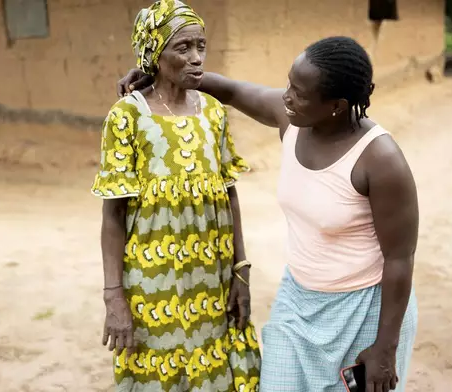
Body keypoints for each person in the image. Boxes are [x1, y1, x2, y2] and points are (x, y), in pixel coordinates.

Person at [118, 36, 419, 392]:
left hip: (365, 309)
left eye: (300, 93)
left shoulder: (380, 160)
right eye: (289, 83)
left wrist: (386, 348)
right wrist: (160, 73)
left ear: (337, 105)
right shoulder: (290, 118)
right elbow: (229, 90)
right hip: (299, 300)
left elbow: (400, 259)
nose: (287, 96)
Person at [92, 1, 261, 391]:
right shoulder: (127, 117)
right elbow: (112, 215)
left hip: (214, 277)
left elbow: (228, 195)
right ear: (154, 52)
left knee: (219, 366)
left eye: (201, 46)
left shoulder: (214, 113)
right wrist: (113, 294)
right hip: (154, 279)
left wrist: (241, 269)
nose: (197, 58)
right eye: (183, 48)